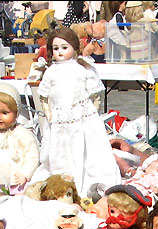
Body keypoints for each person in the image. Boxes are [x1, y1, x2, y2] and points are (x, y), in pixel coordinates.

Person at [36, 26, 121, 198]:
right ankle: (61, 183)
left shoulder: (83, 68)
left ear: (74, 48)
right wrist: (49, 113)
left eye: (64, 47)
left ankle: (87, 184)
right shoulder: (51, 72)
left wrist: (91, 113)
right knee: (60, 152)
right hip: (60, 120)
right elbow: (44, 96)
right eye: (56, 48)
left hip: (82, 118)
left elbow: (94, 93)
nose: (60, 52)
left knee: (87, 151)